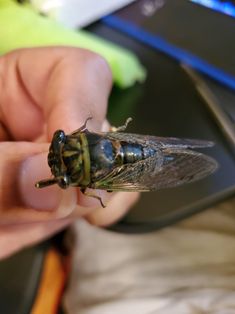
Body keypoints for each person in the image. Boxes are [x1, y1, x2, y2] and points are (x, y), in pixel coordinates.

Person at [0, 46, 139, 259]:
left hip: (117, 152)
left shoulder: (83, 181)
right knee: (102, 200)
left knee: (101, 196)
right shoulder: (77, 141)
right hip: (116, 159)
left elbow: (89, 187)